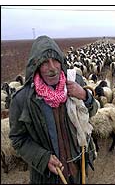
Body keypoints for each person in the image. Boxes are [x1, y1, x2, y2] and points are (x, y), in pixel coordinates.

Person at [9, 35, 98, 184]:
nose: (52, 68)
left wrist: (84, 95)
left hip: (78, 169)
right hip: (48, 177)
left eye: (56, 60)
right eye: (44, 62)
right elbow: (18, 139)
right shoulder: (22, 100)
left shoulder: (75, 82)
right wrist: (43, 158)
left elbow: (92, 111)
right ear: (36, 66)